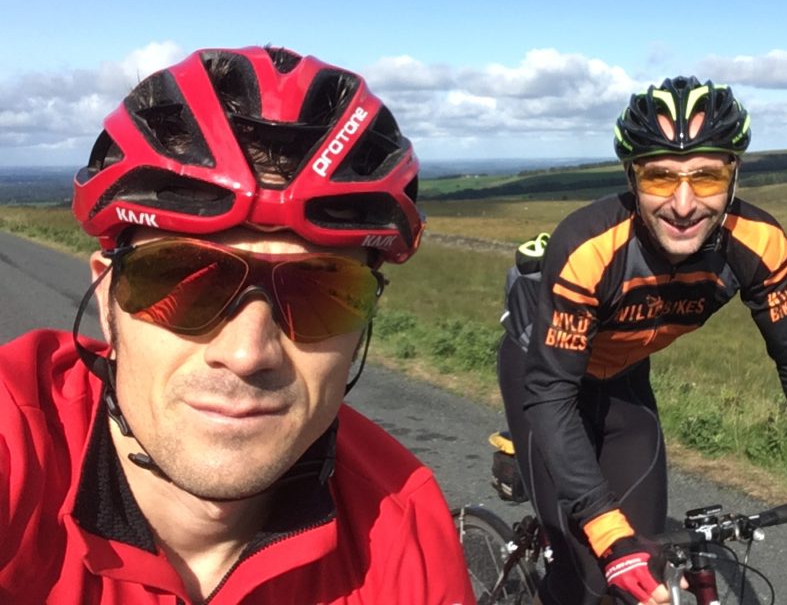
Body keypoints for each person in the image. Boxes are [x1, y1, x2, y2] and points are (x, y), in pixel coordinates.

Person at [0, 46, 475, 603]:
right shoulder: (17, 449)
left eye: (321, 291)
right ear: (107, 295)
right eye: (184, 279)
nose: (248, 353)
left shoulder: (404, 532)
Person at [497, 76, 787, 605]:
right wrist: (606, 532)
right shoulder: (588, 247)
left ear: (734, 174)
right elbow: (551, 393)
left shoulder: (760, 242)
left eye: (706, 176)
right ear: (633, 177)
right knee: (585, 574)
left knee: (645, 565)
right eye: (659, 177)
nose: (682, 203)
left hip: (625, 378)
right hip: (545, 381)